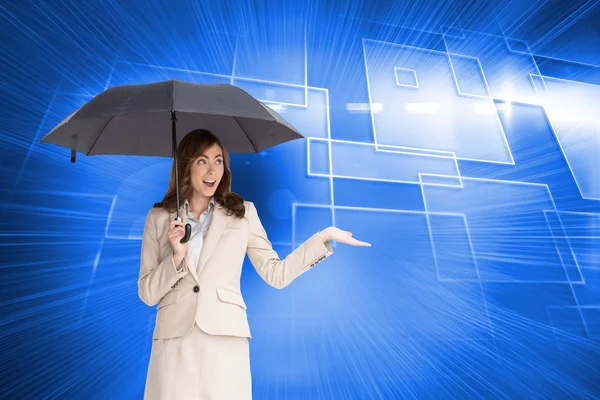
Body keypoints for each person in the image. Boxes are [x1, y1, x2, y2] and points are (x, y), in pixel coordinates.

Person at [138, 129, 371, 399]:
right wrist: (176, 257)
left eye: (218, 160)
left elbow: (276, 274)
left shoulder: (243, 213)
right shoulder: (159, 217)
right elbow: (147, 293)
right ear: (186, 165)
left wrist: (323, 237)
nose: (212, 170)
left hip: (225, 338)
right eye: (202, 160)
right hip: (174, 338)